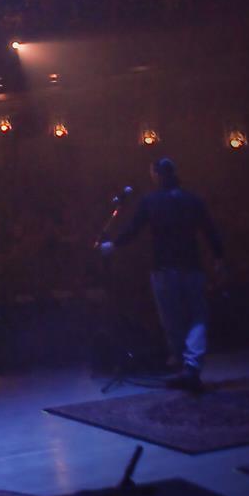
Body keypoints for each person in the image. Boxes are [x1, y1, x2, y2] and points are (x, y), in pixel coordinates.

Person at [99, 156, 224, 391]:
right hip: (192, 268)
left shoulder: (151, 201)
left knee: (173, 320)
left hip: (165, 270)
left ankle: (182, 364)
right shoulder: (193, 200)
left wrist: (113, 245)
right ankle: (191, 367)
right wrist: (219, 258)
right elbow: (210, 229)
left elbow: (134, 228)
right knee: (197, 317)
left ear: (157, 175)